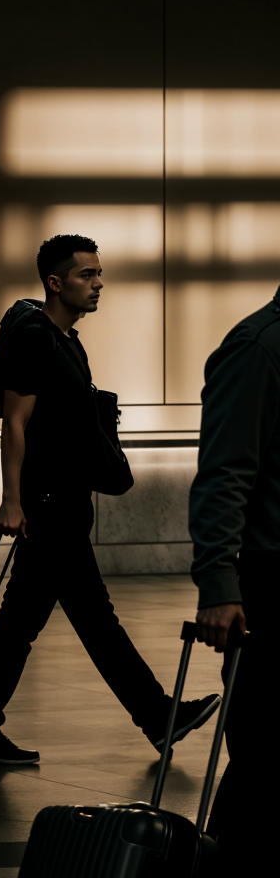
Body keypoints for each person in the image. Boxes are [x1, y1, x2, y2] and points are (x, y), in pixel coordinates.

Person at [0, 235, 218, 764]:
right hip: (46, 506)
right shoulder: (35, 338)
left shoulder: (64, 339)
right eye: (86, 275)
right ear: (55, 282)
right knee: (90, 621)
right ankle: (156, 716)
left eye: (99, 274)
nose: (98, 284)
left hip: (62, 502)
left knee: (27, 624)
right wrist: (12, 500)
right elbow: (14, 421)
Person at [188, 285, 278, 869]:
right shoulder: (258, 348)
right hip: (272, 582)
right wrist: (220, 583)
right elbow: (224, 472)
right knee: (266, 759)